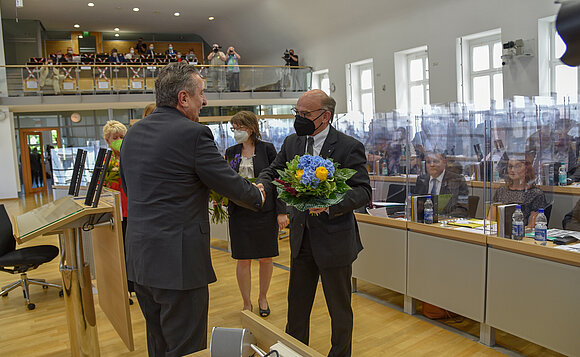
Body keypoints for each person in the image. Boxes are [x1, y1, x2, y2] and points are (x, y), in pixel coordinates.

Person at [120, 62, 265, 356]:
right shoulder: (194, 134)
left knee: (158, 342)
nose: (205, 100)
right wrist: (259, 195)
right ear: (183, 98)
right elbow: (229, 184)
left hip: (140, 260)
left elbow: (128, 186)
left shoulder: (132, 134)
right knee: (187, 347)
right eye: (201, 93)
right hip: (179, 263)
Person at [257, 89, 371, 356]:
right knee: (296, 308)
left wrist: (332, 203)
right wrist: (261, 186)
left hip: (335, 241)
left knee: (339, 310)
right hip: (301, 240)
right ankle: (292, 352)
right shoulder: (292, 142)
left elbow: (363, 191)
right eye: (297, 113)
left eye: (305, 114)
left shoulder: (348, 145)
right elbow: (274, 171)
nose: (300, 118)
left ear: (325, 115)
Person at [225, 111, 288, 316]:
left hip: (264, 212)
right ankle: (246, 302)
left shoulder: (267, 149)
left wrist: (281, 212)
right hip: (240, 213)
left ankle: (263, 297)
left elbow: (278, 181)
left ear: (250, 128)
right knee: (242, 259)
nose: (236, 132)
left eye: (239, 128)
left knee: (265, 258)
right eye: (233, 128)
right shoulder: (231, 151)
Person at [101, 120, 133, 298]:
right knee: (119, 250)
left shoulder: (132, 156)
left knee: (131, 250)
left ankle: (133, 284)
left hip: (133, 209)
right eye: (115, 137)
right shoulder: (106, 161)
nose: (119, 140)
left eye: (122, 137)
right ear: (107, 140)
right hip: (116, 211)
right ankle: (121, 287)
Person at [492, 155, 547, 227]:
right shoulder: (501, 191)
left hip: (521, 233)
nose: (512, 170)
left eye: (517, 166)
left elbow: (532, 226)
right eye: (510, 166)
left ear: (526, 169)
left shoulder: (536, 194)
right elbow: (491, 220)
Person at [413, 151, 469, 217]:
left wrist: (443, 219)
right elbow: (416, 206)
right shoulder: (422, 179)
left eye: (435, 161)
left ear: (444, 162)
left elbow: (462, 209)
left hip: (446, 223)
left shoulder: (457, 180)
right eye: (428, 162)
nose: (432, 165)